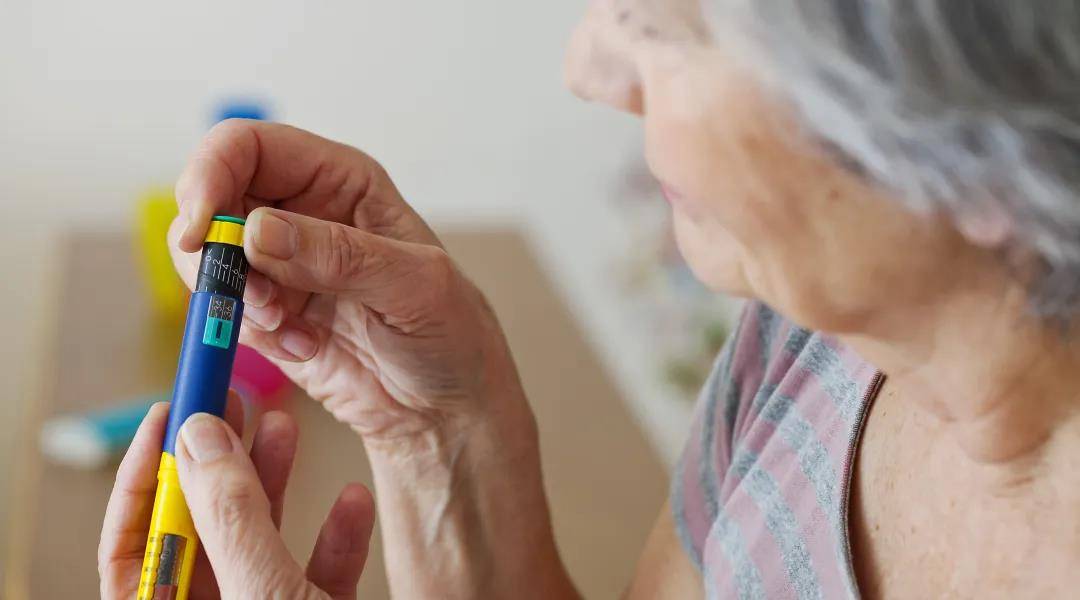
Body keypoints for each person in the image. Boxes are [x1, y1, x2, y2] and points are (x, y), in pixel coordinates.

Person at [100, 0, 1080, 597]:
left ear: (984, 120)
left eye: (661, 23)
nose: (590, 71)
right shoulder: (805, 346)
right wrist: (434, 426)